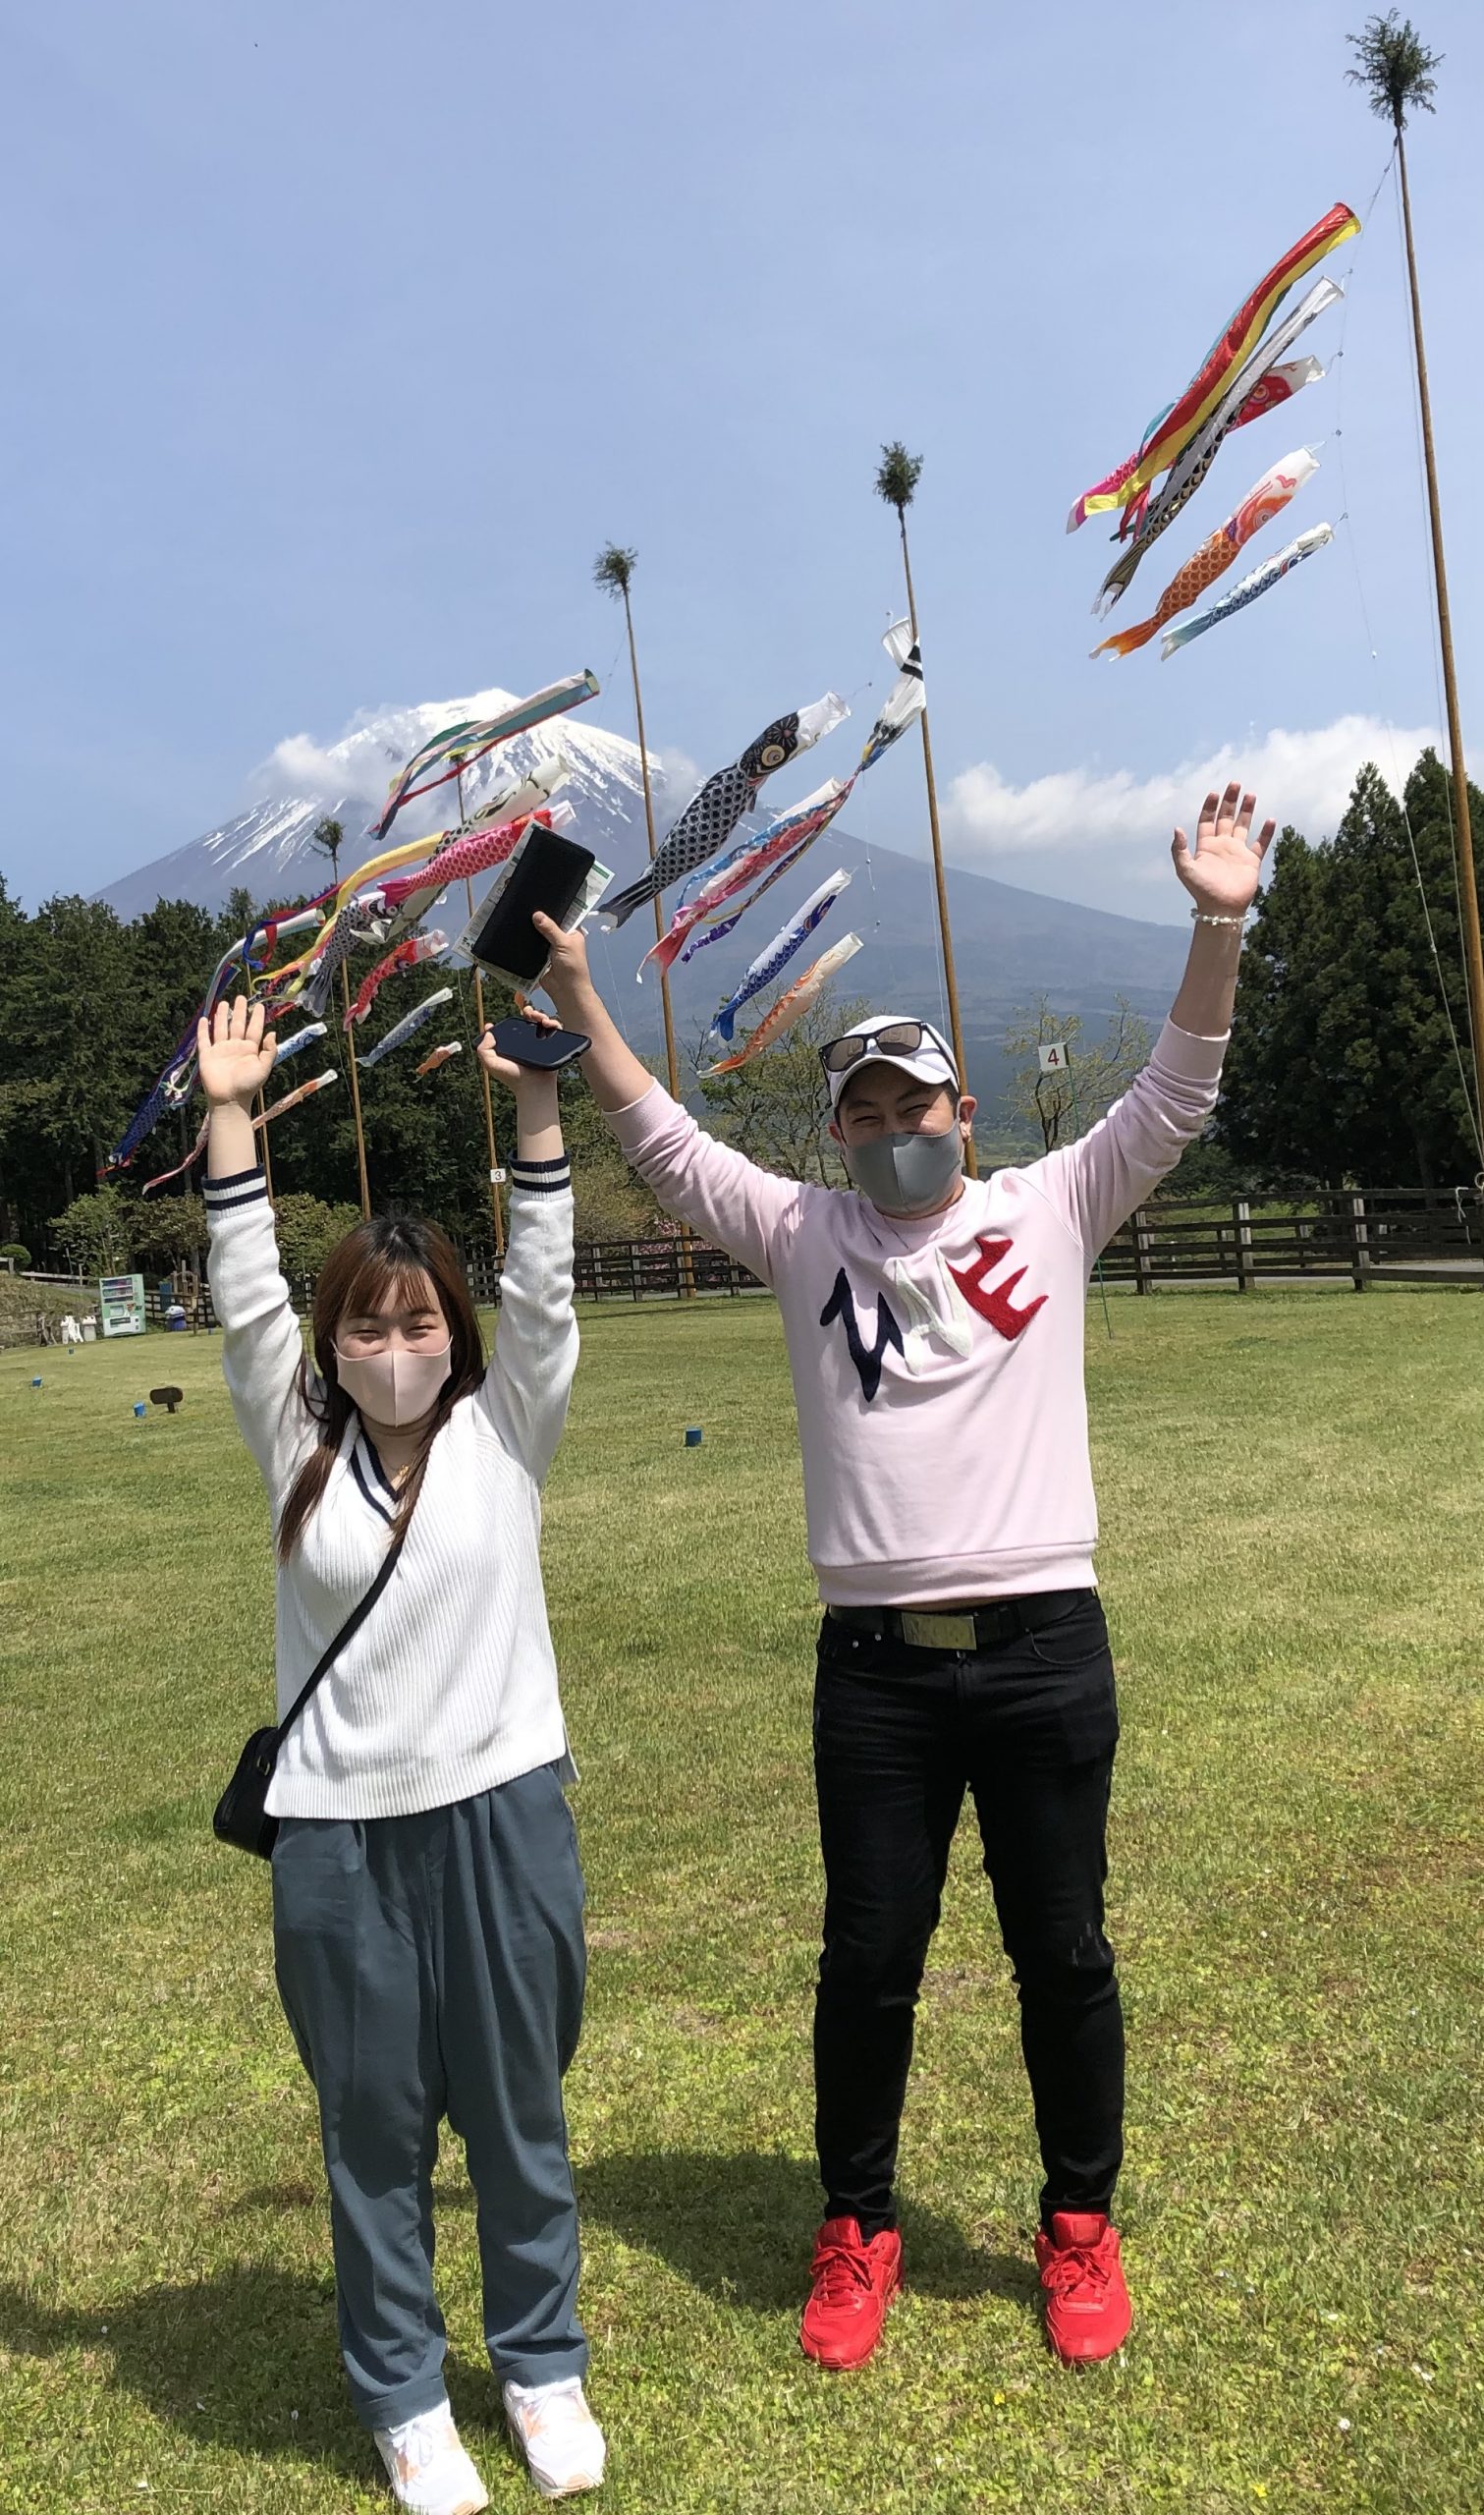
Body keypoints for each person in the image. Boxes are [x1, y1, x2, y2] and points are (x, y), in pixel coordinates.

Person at [533, 782, 1275, 2375]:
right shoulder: (804, 1233)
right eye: (861, 1114)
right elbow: (663, 1142)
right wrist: (583, 995)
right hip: (874, 1669)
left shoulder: (1051, 1205)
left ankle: (1079, 2224)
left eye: (911, 1105)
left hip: (1042, 1645)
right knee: (870, 1960)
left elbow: (1176, 1092)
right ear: (838, 1132)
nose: (888, 1133)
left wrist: (1217, 923)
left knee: (1063, 1952)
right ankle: (857, 2227)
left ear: (964, 1111)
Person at [199, 993, 605, 2511]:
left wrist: (539, 1102)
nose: (393, 1348)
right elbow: (246, 1294)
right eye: (365, 1326)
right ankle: (405, 2395)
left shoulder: (509, 1428)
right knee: (371, 2132)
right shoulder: (293, 1435)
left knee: (518, 2113)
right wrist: (230, 1118)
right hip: (337, 1837)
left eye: (419, 1322)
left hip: (505, 1815)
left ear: (456, 1333)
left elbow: (546, 1281)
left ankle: (542, 2365)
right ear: (334, 1341)